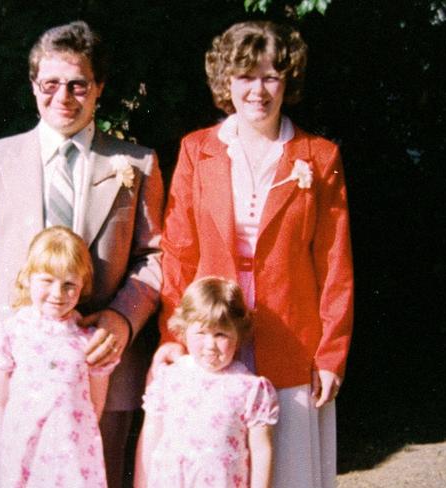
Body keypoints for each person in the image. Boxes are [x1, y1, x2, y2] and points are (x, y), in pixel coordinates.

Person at [0, 20, 163, 487]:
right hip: (16, 370)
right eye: (50, 84)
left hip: (103, 364)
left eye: (78, 84)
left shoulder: (136, 163)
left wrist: (122, 319)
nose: (63, 96)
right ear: (33, 86)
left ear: (98, 87)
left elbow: (155, 255)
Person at [155, 20, 354, 488]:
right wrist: (174, 333)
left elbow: (334, 264)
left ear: (288, 81)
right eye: (246, 76)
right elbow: (179, 250)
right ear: (227, 81)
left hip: (289, 335)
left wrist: (330, 356)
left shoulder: (318, 156)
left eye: (271, 76)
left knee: (286, 472)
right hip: (211, 332)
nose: (258, 90)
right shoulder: (196, 150)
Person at [0, 226, 116, 487]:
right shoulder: (10, 334)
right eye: (47, 281)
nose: (57, 294)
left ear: (82, 286)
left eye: (69, 285)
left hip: (75, 456)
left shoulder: (88, 341)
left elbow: (94, 406)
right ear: (29, 277)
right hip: (24, 453)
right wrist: (12, 444)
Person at [134, 276, 279, 488]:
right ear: (184, 331)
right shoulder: (169, 378)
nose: (210, 345)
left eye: (221, 334)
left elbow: (261, 451)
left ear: (238, 334)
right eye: (201, 333)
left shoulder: (250, 388)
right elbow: (149, 438)